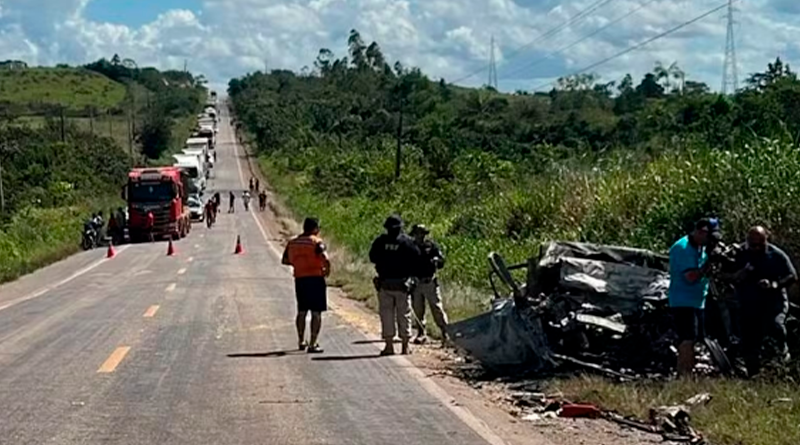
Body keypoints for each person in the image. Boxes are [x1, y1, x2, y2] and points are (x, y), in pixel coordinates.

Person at [724, 226, 797, 376]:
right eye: (753, 245)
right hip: (748, 302)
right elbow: (724, 274)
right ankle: (753, 374)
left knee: (776, 327)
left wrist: (774, 285)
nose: (756, 248)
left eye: (760, 244)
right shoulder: (740, 253)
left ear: (766, 240)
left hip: (773, 302)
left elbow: (791, 276)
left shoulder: (775, 255)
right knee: (749, 338)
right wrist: (739, 274)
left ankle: (783, 364)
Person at [668, 218, 718, 377]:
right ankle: (684, 375)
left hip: (698, 300)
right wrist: (708, 264)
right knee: (687, 339)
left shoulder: (700, 247)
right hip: (683, 300)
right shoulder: (682, 248)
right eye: (709, 237)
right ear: (701, 232)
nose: (710, 242)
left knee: (696, 338)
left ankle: (689, 371)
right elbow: (690, 277)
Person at [369, 215, 421, 356]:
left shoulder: (380, 242)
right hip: (402, 285)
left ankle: (389, 346)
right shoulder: (407, 242)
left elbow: (372, 257)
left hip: (385, 283)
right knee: (404, 314)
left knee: (387, 315)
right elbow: (417, 259)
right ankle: (405, 346)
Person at [282, 218, 331, 353]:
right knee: (316, 313)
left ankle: (301, 340)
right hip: (316, 279)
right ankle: (313, 343)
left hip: (300, 280)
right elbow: (326, 258)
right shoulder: (316, 242)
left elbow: (285, 260)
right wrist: (327, 271)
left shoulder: (293, 242)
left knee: (302, 311)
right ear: (315, 228)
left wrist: (299, 263)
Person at [409, 224, 449, 345]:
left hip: (429, 281)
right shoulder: (410, 247)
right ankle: (421, 333)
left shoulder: (431, 246)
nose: (419, 236)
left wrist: (437, 260)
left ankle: (445, 332)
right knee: (417, 309)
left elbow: (442, 261)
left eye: (422, 233)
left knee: (437, 308)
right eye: (417, 233)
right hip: (416, 282)